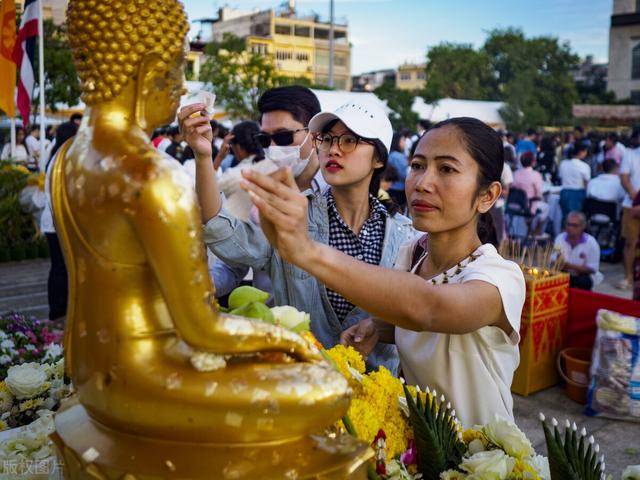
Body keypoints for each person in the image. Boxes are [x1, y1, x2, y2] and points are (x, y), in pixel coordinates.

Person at [241, 117, 526, 427]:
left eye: (446, 169)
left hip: (484, 459)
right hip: (421, 454)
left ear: (488, 196)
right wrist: (378, 327)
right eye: (417, 166)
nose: (422, 183)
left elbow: (429, 308)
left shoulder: (499, 277)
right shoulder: (411, 254)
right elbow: (420, 327)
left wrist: (306, 252)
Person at [180, 93, 415, 373]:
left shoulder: (405, 237)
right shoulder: (289, 214)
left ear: (378, 158)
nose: (334, 150)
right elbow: (225, 235)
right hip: (298, 387)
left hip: (375, 405)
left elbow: (420, 316)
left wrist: (379, 326)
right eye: (327, 139)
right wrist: (204, 156)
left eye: (349, 140)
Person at [40, 121, 79, 321]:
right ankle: (59, 310)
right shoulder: (65, 159)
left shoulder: (56, 156)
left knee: (59, 267)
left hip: (52, 221)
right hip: (59, 222)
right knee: (62, 268)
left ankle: (59, 310)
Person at [216, 121, 265, 221]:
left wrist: (219, 157)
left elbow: (207, 193)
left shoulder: (234, 174)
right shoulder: (275, 166)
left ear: (237, 147)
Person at [553, 211, 602, 291]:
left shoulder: (591, 243)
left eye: (574, 225)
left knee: (583, 281)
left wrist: (570, 266)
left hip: (583, 276)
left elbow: (592, 269)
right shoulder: (560, 238)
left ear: (583, 226)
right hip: (564, 273)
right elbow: (553, 260)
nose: (570, 228)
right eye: (568, 224)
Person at [619, 128, 640, 290]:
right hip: (631, 205)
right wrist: (635, 198)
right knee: (630, 242)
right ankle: (628, 276)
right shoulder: (630, 154)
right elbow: (624, 178)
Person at [512, 151, 549, 237]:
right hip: (528, 205)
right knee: (547, 207)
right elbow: (538, 193)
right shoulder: (535, 175)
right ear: (533, 162)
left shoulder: (515, 174)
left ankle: (531, 227)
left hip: (515, 204)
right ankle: (537, 230)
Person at [559, 143, 590, 221]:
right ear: (581, 152)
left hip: (564, 192)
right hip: (577, 193)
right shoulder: (584, 166)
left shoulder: (563, 163)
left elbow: (561, 177)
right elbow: (587, 183)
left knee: (565, 218)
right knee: (575, 219)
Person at [387, 132, 408, 208]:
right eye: (403, 140)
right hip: (399, 189)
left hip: (390, 188)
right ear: (397, 141)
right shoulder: (399, 156)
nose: (405, 143)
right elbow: (404, 175)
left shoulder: (390, 154)